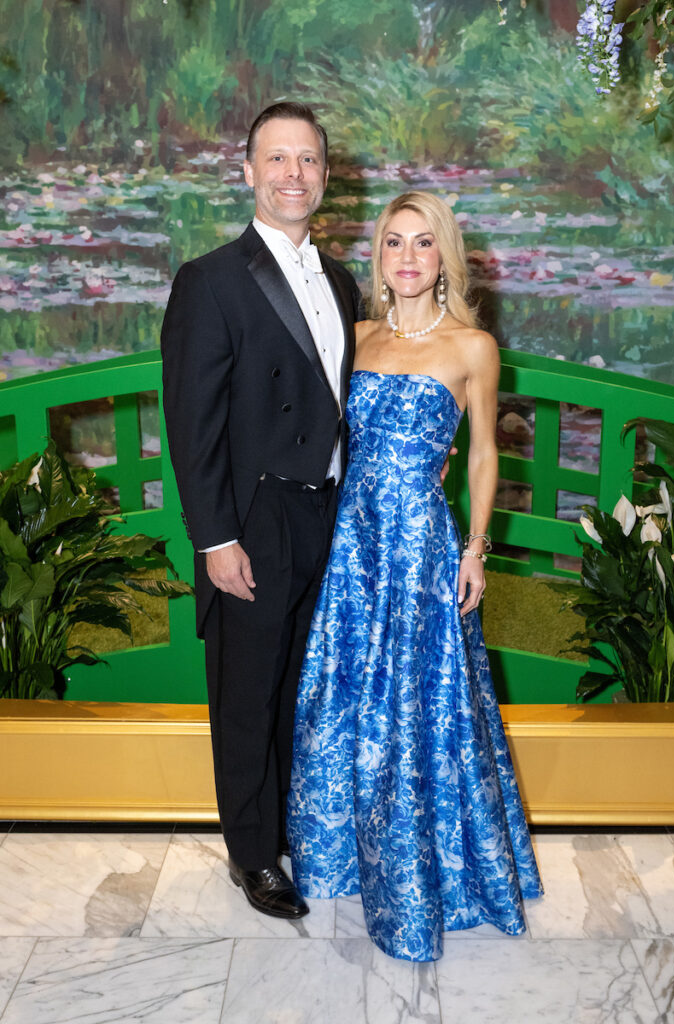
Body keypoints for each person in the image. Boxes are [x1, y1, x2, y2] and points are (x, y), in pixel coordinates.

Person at [288, 191, 543, 961]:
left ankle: (423, 868)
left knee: (421, 699)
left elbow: (484, 454)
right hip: (352, 543)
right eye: (393, 243)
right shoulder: (355, 337)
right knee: (341, 688)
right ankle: (341, 854)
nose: (406, 258)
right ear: (379, 255)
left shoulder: (471, 347)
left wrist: (475, 548)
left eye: (421, 244)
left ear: (444, 257)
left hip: (423, 544)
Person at [161, 102, 363, 920]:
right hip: (254, 518)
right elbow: (192, 422)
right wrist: (216, 538)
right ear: (247, 172)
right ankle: (253, 856)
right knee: (246, 692)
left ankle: (289, 829)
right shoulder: (210, 280)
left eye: (307, 160)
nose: (293, 175)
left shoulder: (344, 281)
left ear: (325, 175)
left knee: (298, 689)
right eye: (276, 160)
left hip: (328, 514)